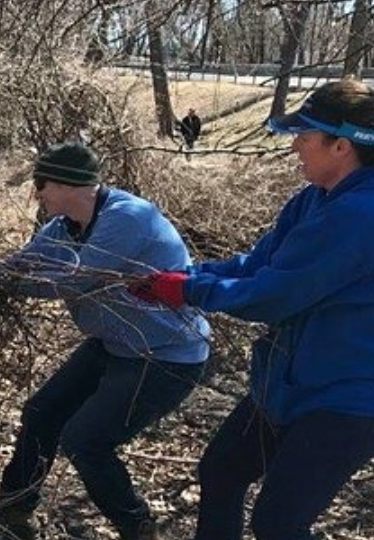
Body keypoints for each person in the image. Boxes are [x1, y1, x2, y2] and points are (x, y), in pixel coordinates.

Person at [129, 79, 374, 540]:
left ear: (341, 146)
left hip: (347, 397)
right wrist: (187, 276)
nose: (296, 144)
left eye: (305, 135)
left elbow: (274, 293)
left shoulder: (360, 216)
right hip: (287, 382)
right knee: (222, 470)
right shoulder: (314, 199)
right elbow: (258, 264)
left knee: (279, 523)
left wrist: (189, 293)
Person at [0, 142, 209, 540]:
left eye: (43, 183)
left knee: (85, 440)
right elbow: (22, 265)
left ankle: (137, 525)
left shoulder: (128, 218)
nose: (37, 192)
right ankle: (14, 513)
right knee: (42, 413)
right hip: (114, 345)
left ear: (71, 185)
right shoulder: (62, 228)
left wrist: (7, 288)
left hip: (165, 355)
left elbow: (76, 281)